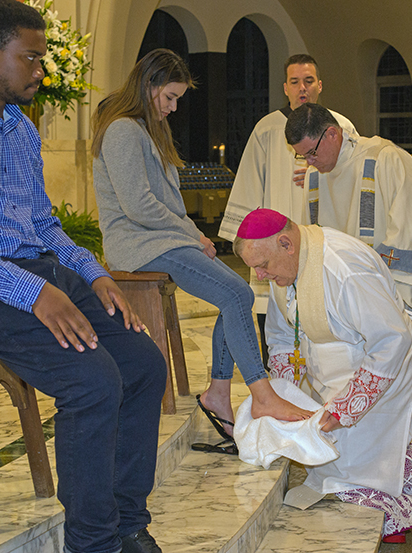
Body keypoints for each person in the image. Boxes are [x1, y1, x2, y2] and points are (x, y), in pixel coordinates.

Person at [0, 2, 166, 552]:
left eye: (43, 60)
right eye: (32, 58)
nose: (41, 71)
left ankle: (127, 523)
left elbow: (43, 223)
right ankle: (93, 544)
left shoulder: (19, 129)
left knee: (142, 363)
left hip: (37, 273)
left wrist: (92, 275)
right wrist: (32, 293)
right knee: (92, 383)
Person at [91, 49, 310, 453]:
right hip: (139, 245)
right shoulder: (123, 130)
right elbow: (137, 205)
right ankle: (256, 395)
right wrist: (191, 233)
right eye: (170, 97)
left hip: (161, 239)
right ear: (149, 85)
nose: (173, 107)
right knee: (237, 294)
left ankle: (220, 392)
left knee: (237, 295)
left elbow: (165, 202)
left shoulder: (144, 129)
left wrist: (189, 232)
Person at [233, 209, 412, 541]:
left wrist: (348, 407)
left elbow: (393, 339)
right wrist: (283, 395)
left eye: (262, 266)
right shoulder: (283, 269)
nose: (260, 276)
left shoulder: (342, 267)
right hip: (333, 375)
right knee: (325, 452)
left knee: (352, 464)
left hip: (381, 371)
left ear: (286, 243)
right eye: (254, 268)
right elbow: (282, 337)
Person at [284, 103, 412, 439]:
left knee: (405, 400)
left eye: (311, 153)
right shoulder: (314, 177)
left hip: (397, 296)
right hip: (346, 310)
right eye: (302, 157)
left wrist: (376, 299)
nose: (308, 163)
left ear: (333, 134)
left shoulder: (386, 160)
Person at [219, 54, 357, 368]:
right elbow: (250, 188)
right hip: (276, 248)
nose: (302, 88)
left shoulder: (339, 127)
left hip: (323, 249)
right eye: (295, 82)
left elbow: (353, 180)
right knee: (277, 328)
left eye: (308, 81)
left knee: (326, 328)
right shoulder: (267, 129)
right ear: (285, 87)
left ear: (320, 85)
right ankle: (281, 387)